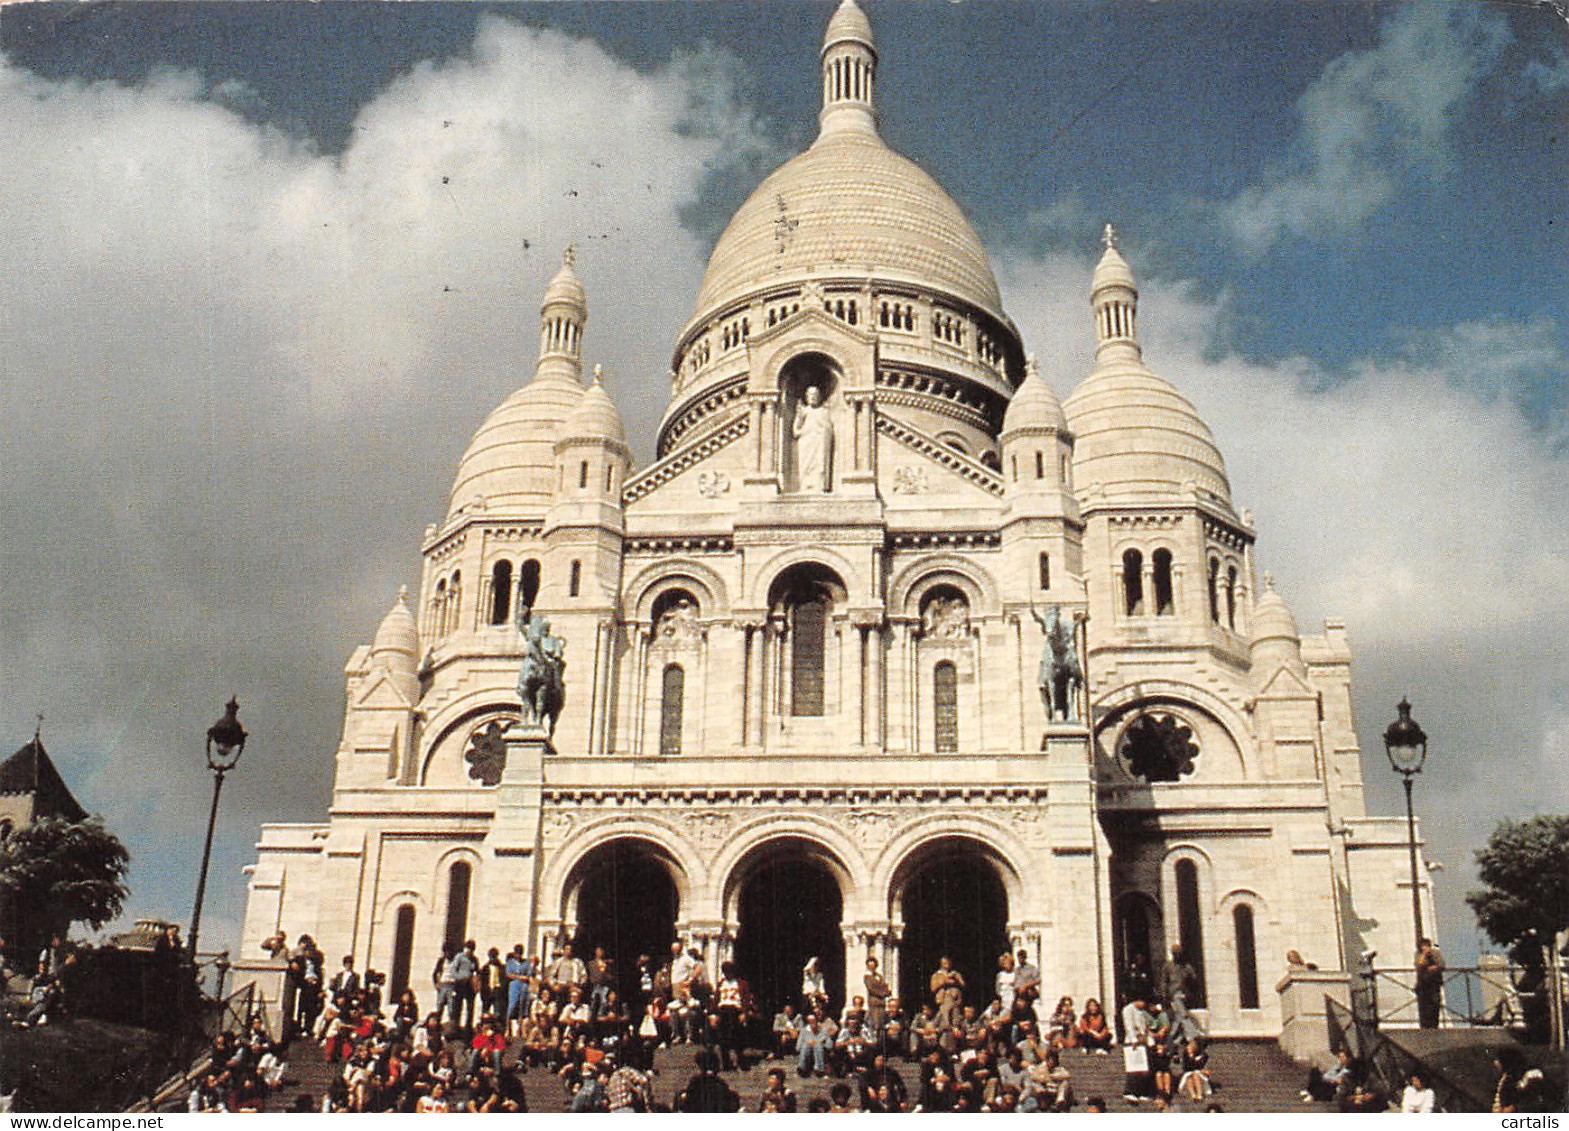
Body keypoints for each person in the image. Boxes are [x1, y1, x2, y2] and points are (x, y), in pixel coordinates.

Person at [792, 383, 833, 493]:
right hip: (806, 442)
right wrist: (804, 431)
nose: (813, 397)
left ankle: (820, 486)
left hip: (820, 442)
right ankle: (806, 486)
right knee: (806, 464)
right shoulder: (804, 411)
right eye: (811, 395)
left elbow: (828, 428)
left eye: (815, 395)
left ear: (819, 397)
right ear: (807, 397)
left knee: (820, 464)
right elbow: (795, 430)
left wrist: (823, 432)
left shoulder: (823, 411)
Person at [1414, 938, 1445, 1030]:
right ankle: (1425, 1025)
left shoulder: (1435, 953)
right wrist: (1424, 955)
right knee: (1424, 1005)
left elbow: (1442, 964)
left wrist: (1434, 967)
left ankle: (1434, 1025)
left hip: (1434, 983)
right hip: (1423, 984)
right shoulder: (1418, 954)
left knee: (1435, 1004)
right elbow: (1419, 965)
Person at [930, 955, 964, 1030]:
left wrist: (956, 979)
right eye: (945, 963)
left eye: (948, 963)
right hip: (944, 998)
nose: (947, 965)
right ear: (941, 964)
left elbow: (963, 984)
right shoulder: (936, 975)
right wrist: (945, 981)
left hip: (954, 998)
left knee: (956, 1017)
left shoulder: (955, 974)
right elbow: (933, 988)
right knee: (945, 1019)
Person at [863, 956, 891, 1031]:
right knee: (876, 1023)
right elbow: (871, 989)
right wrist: (882, 993)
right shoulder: (867, 977)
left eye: (873, 965)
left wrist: (887, 991)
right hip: (874, 1002)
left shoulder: (879, 976)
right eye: (870, 965)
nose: (872, 967)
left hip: (881, 1002)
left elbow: (885, 985)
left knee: (882, 1023)